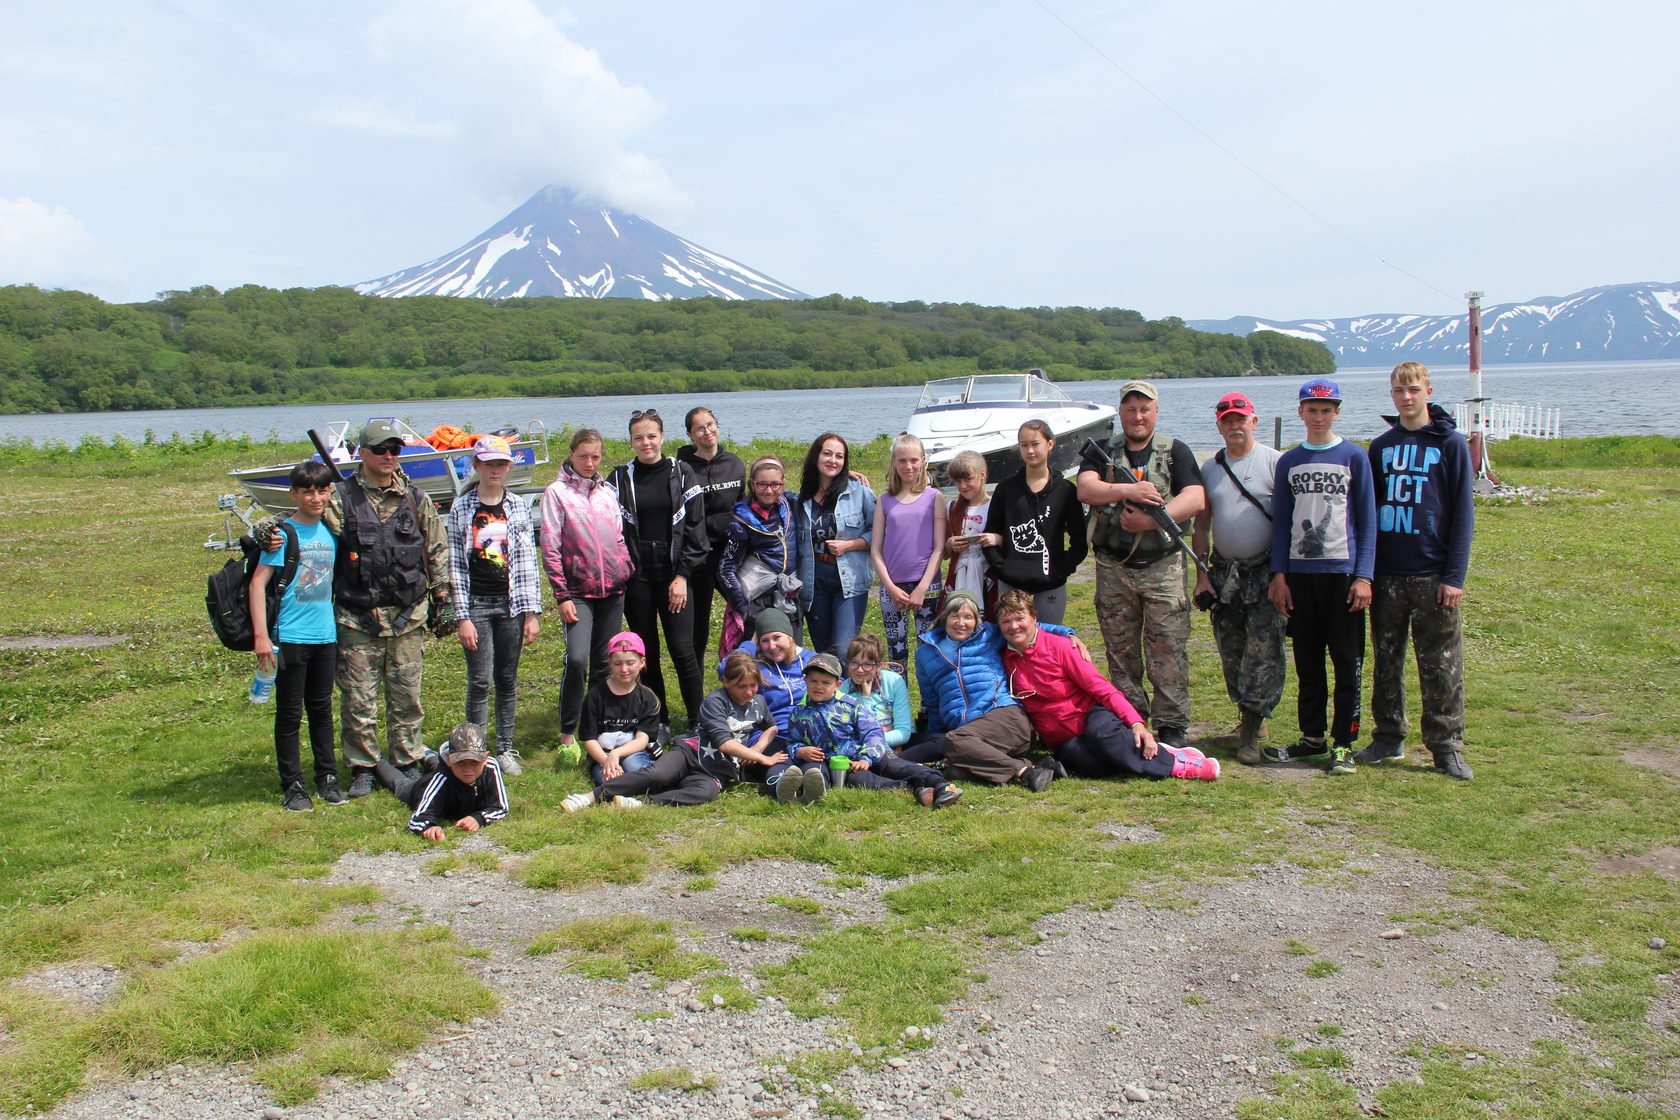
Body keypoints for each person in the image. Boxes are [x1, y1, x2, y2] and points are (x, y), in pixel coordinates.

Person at [255, 420, 455, 799]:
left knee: (407, 697)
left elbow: (436, 548)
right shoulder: (339, 498)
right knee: (358, 698)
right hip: (356, 617)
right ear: (362, 453)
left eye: (394, 450)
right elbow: (300, 523)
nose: (388, 456)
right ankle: (363, 766)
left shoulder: (416, 498)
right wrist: (267, 527)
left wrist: (443, 598)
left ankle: (406, 760)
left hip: (407, 616)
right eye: (380, 449)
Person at [1360, 362, 1475, 780]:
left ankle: (1446, 745)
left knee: (1441, 663)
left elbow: (1463, 514)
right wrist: (1366, 573)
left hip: (1432, 573)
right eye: (1397, 390)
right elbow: (1368, 515)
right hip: (1388, 572)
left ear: (1428, 391)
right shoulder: (1382, 445)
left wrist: (1454, 576)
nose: (1405, 397)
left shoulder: (1450, 444)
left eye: (1412, 389)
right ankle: (1388, 736)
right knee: (1386, 660)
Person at [1077, 380, 1206, 749]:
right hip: (1114, 567)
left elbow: (1195, 497)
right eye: (1130, 409)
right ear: (1120, 412)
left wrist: (1151, 520)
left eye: (1144, 409)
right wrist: (1128, 490)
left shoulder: (1175, 451)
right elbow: (1086, 488)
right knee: (1120, 649)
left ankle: (1171, 724)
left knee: (1167, 646)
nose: (1137, 416)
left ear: (1155, 412)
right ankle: (1131, 717)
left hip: (1163, 565)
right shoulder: (1103, 450)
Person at [1266, 378, 1377, 775]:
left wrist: (1364, 576)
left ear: (1337, 413)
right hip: (1300, 576)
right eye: (1311, 410)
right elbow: (1281, 525)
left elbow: (1367, 521)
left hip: (1342, 574)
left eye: (1326, 411)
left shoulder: (1353, 456)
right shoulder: (1290, 461)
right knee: (1308, 662)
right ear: (1301, 412)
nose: (1318, 417)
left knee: (1347, 662)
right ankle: (1312, 738)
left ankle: (1344, 742)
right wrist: (1279, 575)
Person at [996, 591, 1217, 781]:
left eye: (1020, 618)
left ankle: (1177, 765)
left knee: (1103, 736)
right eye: (1006, 621)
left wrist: (1136, 724)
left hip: (1091, 717)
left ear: (1034, 618)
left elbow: (1103, 689)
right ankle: (1143, 751)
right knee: (1093, 767)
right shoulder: (1004, 658)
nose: (1014, 626)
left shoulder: (1061, 647)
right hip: (1063, 737)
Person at [1191, 392, 1287, 765]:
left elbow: (1287, 525)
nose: (1235, 426)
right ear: (1219, 425)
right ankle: (1249, 717)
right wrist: (1202, 575)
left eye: (1240, 419)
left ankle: (1251, 730)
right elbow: (1201, 527)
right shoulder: (1211, 468)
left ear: (1254, 421)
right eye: (1227, 420)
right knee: (1231, 651)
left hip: (1264, 572)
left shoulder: (1275, 463)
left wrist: (1282, 575)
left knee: (1263, 652)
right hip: (1224, 573)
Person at [446, 435, 541, 777]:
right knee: (480, 681)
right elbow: (455, 563)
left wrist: (532, 612)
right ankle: (473, 749)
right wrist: (462, 616)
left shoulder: (517, 505)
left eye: (501, 464)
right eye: (489, 464)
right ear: (477, 466)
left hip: (511, 605)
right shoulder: (462, 507)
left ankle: (505, 748)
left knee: (507, 678)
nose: (496, 470)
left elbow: (528, 560)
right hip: (477, 605)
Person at [250, 460, 342, 812]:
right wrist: (262, 637)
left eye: (321, 490)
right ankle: (293, 784)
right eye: (307, 491)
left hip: (325, 635)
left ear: (329, 492)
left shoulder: (331, 532)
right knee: (289, 713)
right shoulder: (283, 533)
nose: (315, 497)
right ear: (294, 494)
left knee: (321, 709)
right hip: (289, 635)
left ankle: (327, 777)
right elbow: (258, 584)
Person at [608, 408, 709, 728]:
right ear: (631, 441)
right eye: (639, 437)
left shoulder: (682, 473)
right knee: (646, 653)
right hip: (637, 575)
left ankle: (698, 720)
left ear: (662, 437)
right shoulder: (620, 477)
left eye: (651, 436)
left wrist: (682, 575)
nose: (646, 442)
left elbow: (696, 528)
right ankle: (658, 720)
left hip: (674, 574)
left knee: (683, 650)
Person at [915, 589, 1072, 791]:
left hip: (1004, 717)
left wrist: (1066, 632)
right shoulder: (926, 653)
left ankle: (1026, 773)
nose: (961, 623)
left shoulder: (989, 636)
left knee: (954, 743)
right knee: (955, 770)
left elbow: (1030, 628)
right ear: (944, 617)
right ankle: (1041, 767)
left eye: (968, 617)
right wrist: (934, 739)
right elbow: (933, 701)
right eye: (955, 615)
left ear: (976, 621)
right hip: (970, 733)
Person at [541, 428, 634, 764]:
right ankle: (568, 731)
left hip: (613, 589)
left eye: (596, 457)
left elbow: (619, 536)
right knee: (577, 660)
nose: (590, 463)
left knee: (602, 664)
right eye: (583, 456)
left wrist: (624, 565)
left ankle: (595, 728)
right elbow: (550, 546)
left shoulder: (608, 491)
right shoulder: (556, 493)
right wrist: (561, 594)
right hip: (577, 591)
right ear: (571, 455)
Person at [774, 653, 960, 807]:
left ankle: (941, 784)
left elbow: (873, 733)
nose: (818, 687)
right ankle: (914, 789)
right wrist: (799, 750)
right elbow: (793, 740)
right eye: (813, 681)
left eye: (825, 682)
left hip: (869, 753)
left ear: (837, 685)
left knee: (895, 765)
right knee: (860, 781)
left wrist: (866, 757)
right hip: (841, 764)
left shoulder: (850, 706)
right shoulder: (799, 713)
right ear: (805, 681)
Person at [984, 420, 1088, 625]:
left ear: (1050, 444)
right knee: (1012, 642)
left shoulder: (1066, 490)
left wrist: (1062, 569)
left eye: (1035, 444)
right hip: (1011, 582)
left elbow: (1079, 540)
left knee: (1048, 642)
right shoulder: (1006, 489)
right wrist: (1002, 568)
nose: (1030, 450)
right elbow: (990, 534)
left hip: (1051, 584)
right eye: (1024, 445)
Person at [795, 432, 876, 657]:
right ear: (816, 457)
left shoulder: (859, 491)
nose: (833, 460)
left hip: (848, 578)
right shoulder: (802, 498)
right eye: (827, 454)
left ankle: (850, 690)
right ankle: (833, 692)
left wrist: (850, 545)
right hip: (813, 580)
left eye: (839, 457)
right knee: (824, 650)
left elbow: (880, 532)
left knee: (843, 649)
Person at [717, 456, 806, 655]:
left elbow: (818, 492)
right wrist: (743, 607)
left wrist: (848, 476)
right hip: (759, 601)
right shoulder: (743, 520)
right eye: (762, 484)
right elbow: (726, 567)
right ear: (752, 484)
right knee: (761, 659)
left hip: (787, 595)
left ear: (783, 484)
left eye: (775, 484)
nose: (769, 490)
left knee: (791, 654)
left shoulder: (789, 504)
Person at [870, 433, 947, 664]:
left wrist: (922, 588)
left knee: (929, 652)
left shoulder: (935, 497)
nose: (908, 466)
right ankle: (898, 700)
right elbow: (875, 549)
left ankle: (929, 701)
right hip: (893, 587)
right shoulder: (885, 500)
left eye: (914, 460)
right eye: (902, 460)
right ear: (894, 462)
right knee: (896, 654)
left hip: (927, 586)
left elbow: (939, 548)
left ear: (923, 460)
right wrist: (890, 587)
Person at [676, 407, 746, 661]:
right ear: (690, 434)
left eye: (711, 425)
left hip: (731, 555)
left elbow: (742, 506)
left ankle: (747, 668)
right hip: (698, 557)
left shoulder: (735, 464)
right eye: (699, 428)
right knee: (698, 626)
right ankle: (694, 688)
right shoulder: (682, 469)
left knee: (747, 610)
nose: (707, 432)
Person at [373, 722, 509, 841]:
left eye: (474, 762)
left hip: (448, 772)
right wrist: (428, 827)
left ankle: (427, 754)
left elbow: (501, 807)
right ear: (450, 758)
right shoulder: (440, 780)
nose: (468, 769)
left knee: (439, 765)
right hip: (422, 788)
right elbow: (418, 818)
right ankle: (376, 759)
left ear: (485, 758)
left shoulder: (491, 766)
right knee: (401, 784)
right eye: (460, 762)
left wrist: (479, 819)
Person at [690, 650, 786, 789]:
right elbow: (725, 744)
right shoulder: (716, 701)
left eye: (753, 685)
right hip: (698, 755)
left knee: (775, 761)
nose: (749, 692)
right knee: (660, 774)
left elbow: (771, 727)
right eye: (742, 686)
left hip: (735, 761)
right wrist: (759, 756)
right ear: (726, 681)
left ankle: (783, 784)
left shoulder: (758, 701)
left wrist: (757, 749)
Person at [578, 631, 662, 784]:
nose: (624, 669)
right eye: (617, 664)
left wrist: (616, 754)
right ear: (609, 663)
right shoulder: (595, 695)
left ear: (642, 662)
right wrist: (607, 760)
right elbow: (589, 739)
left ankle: (648, 778)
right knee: (608, 779)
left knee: (633, 765)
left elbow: (642, 740)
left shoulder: (648, 698)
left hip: (634, 752)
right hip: (602, 755)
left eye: (630, 663)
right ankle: (626, 786)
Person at [941, 451, 998, 619]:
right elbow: (943, 553)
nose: (962, 486)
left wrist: (996, 539)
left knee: (989, 621)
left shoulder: (995, 505)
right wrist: (950, 544)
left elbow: (1010, 542)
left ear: (982, 475)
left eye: (968, 479)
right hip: (958, 576)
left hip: (989, 577)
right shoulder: (951, 507)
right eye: (958, 481)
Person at [838, 632, 913, 752]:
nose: (860, 670)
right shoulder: (843, 691)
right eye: (854, 663)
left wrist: (871, 739)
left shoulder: (894, 682)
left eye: (867, 664)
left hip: (894, 744)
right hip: (863, 750)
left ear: (878, 666)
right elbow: (852, 731)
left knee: (937, 741)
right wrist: (865, 698)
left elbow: (903, 733)